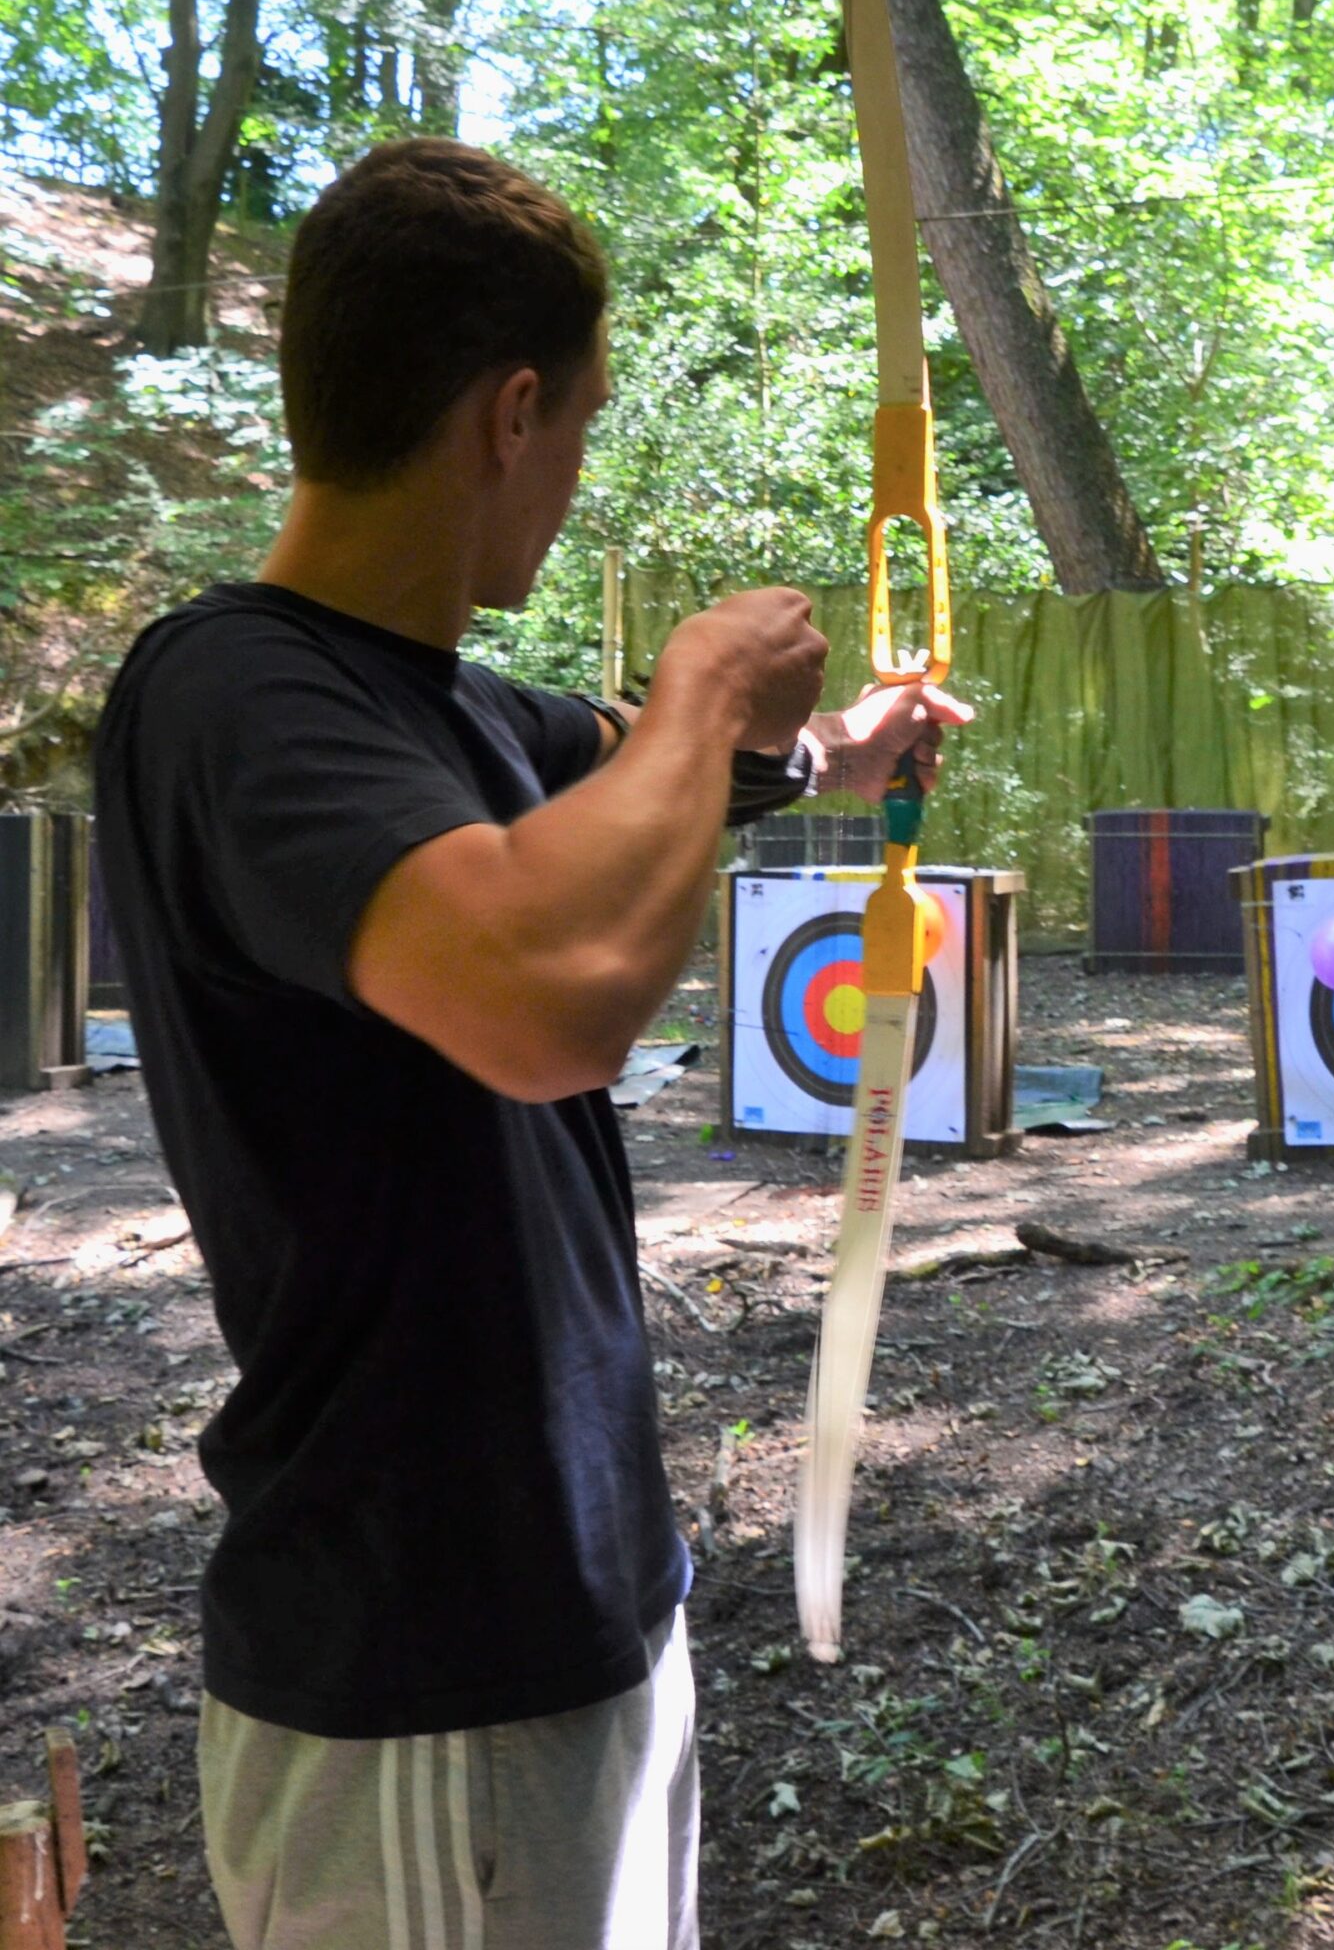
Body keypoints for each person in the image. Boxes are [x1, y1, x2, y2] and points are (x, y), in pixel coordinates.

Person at [92, 137, 970, 1950]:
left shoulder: (446, 712)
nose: (569, 483)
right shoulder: (235, 692)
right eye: (577, 430)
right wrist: (711, 684)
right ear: (510, 414)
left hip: (569, 1614)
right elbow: (545, 996)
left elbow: (633, 774)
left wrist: (830, 752)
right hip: (417, 1665)